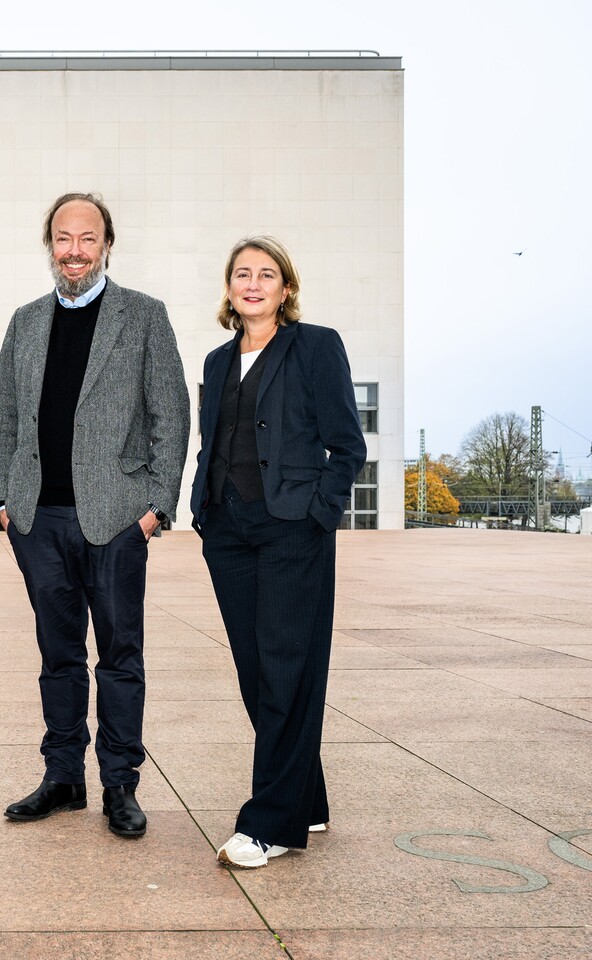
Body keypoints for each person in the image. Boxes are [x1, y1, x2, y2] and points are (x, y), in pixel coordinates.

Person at [0, 192, 189, 838]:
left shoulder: (144, 317)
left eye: (88, 238)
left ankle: (120, 786)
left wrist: (156, 508)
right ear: (49, 244)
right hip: (38, 520)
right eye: (64, 239)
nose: (75, 251)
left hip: (117, 520)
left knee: (120, 657)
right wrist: (1, 501)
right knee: (58, 655)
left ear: (106, 244)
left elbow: (171, 414)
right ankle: (63, 777)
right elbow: (4, 416)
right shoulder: (24, 323)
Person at [189, 235, 366, 869]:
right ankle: (306, 798)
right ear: (230, 288)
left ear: (285, 289)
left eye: (267, 275)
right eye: (243, 274)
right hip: (228, 530)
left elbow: (347, 444)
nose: (254, 284)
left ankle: (269, 823)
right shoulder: (215, 360)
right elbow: (214, 439)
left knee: (288, 665)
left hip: (293, 528)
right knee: (256, 670)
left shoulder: (316, 346)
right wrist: (199, 506)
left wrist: (321, 511)